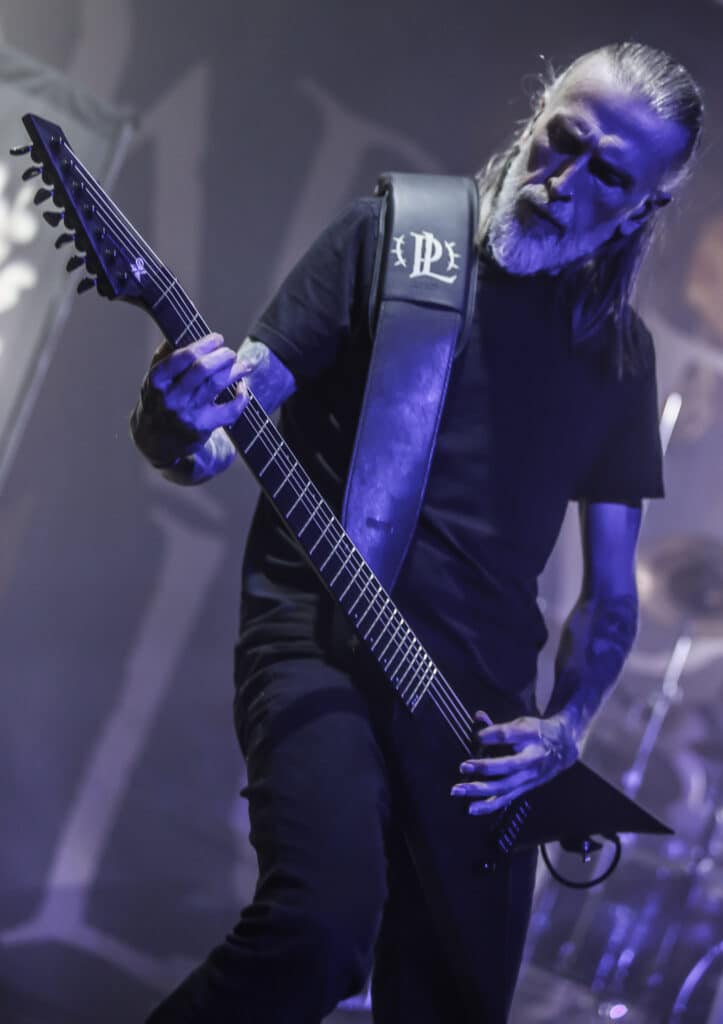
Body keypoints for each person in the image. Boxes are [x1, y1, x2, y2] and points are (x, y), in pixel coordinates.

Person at [132, 42, 703, 1024]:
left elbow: (611, 599)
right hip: (322, 640)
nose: (562, 180)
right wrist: (176, 419)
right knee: (318, 929)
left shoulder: (619, 357)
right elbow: (226, 429)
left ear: (644, 207)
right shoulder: (395, 240)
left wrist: (565, 729)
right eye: (560, 139)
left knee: (457, 1003)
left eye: (606, 174)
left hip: (480, 717)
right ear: (536, 115)